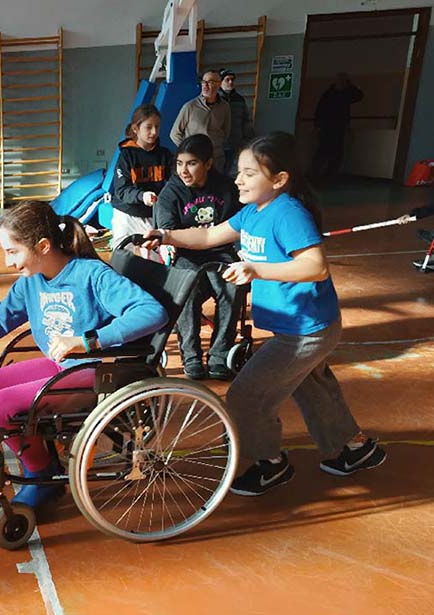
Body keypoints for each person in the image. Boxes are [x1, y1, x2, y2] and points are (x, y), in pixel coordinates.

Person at [143, 131, 386, 497]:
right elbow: (210, 237)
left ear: (279, 179)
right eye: (238, 171)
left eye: (249, 173)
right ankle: (355, 448)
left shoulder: (288, 213)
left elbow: (315, 266)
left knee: (246, 395)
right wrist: (166, 236)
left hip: (306, 330)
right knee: (312, 388)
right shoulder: (254, 213)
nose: (238, 179)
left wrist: (257, 270)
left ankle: (269, 463)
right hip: (298, 325)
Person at [0, 200, 168, 509]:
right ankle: (39, 460)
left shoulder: (91, 275)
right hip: (63, 367)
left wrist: (90, 341)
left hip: (96, 373)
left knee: (2, 405)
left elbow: (151, 312)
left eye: (13, 252)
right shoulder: (31, 283)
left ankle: (41, 474)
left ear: (43, 246)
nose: (8, 262)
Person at [154, 134, 242, 380]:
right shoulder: (170, 194)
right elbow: (168, 233)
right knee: (188, 290)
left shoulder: (226, 188)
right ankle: (191, 356)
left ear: (208, 164)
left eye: (191, 163)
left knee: (232, 289)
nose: (184, 170)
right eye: (180, 164)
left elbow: (239, 225)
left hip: (221, 252)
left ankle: (219, 355)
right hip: (187, 256)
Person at [109, 104, 172, 247]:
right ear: (135, 129)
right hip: (127, 214)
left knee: (153, 257)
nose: (154, 132)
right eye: (148, 127)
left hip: (152, 214)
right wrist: (142, 196)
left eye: (157, 126)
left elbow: (174, 183)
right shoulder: (126, 156)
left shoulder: (165, 155)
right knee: (124, 255)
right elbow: (122, 190)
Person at [170, 69, 232, 171]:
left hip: (216, 158)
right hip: (195, 160)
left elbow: (226, 131)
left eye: (210, 82)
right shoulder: (190, 106)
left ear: (219, 84)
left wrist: (217, 145)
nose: (205, 85)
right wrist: (189, 150)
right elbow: (174, 134)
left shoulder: (225, 107)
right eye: (203, 82)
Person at [312, 73, 363, 180]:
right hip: (327, 126)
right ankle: (314, 174)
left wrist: (350, 85)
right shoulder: (329, 94)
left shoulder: (346, 93)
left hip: (339, 126)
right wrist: (317, 125)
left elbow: (359, 96)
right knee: (323, 151)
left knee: (336, 153)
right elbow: (320, 109)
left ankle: (328, 175)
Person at [217, 68, 255, 176]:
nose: (230, 82)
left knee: (229, 170)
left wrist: (247, 140)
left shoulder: (239, 99)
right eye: (227, 79)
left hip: (234, 142)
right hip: (218, 144)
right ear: (220, 82)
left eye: (232, 80)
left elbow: (246, 120)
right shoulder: (215, 99)